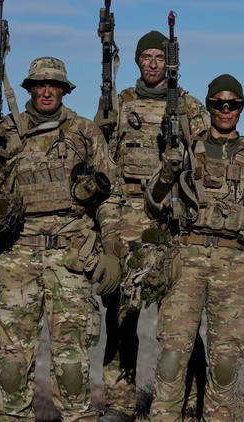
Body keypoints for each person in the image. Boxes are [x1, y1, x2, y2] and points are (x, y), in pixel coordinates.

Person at [0, 56, 121, 421]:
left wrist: (112, 250)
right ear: (30, 89)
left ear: (64, 90)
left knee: (72, 365)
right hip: (18, 256)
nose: (46, 91)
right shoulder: (6, 132)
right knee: (13, 363)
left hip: (71, 258)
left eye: (54, 85)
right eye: (39, 85)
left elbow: (109, 196)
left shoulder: (84, 132)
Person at [145, 74, 244, 420]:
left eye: (232, 104)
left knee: (224, 361)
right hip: (186, 258)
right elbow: (152, 204)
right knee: (174, 354)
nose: (225, 110)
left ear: (240, 108)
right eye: (218, 104)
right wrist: (166, 174)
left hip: (235, 263)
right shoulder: (186, 152)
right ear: (208, 107)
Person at [92, 30, 210, 421]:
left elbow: (204, 163)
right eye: (148, 57)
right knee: (122, 317)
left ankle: (190, 399)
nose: (155, 63)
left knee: (180, 317)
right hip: (126, 214)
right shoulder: (121, 103)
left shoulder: (190, 107)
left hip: (170, 219)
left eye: (161, 56)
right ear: (139, 61)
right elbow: (100, 158)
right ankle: (120, 404)